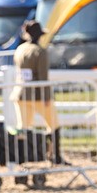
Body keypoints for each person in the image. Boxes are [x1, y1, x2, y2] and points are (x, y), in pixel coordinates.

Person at [12, 20, 63, 164]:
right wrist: (47, 96)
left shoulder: (20, 49)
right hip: (38, 95)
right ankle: (55, 155)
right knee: (53, 125)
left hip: (20, 92)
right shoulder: (40, 51)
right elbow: (43, 77)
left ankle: (21, 157)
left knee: (23, 127)